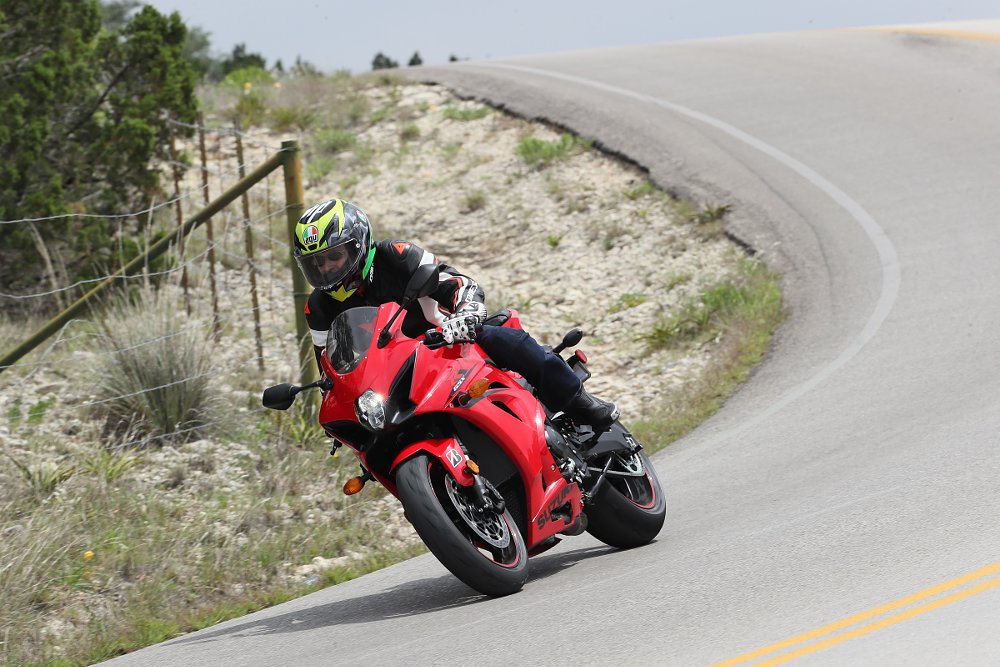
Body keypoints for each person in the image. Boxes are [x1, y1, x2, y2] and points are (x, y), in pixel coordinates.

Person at [293, 197, 619, 427]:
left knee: (504, 339)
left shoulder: (395, 256)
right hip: (395, 377)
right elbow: (331, 368)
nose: (326, 268)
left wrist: (467, 311)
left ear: (359, 244)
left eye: (333, 256)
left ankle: (578, 400)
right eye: (315, 263)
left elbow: (456, 282)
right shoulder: (318, 307)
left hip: (449, 342)